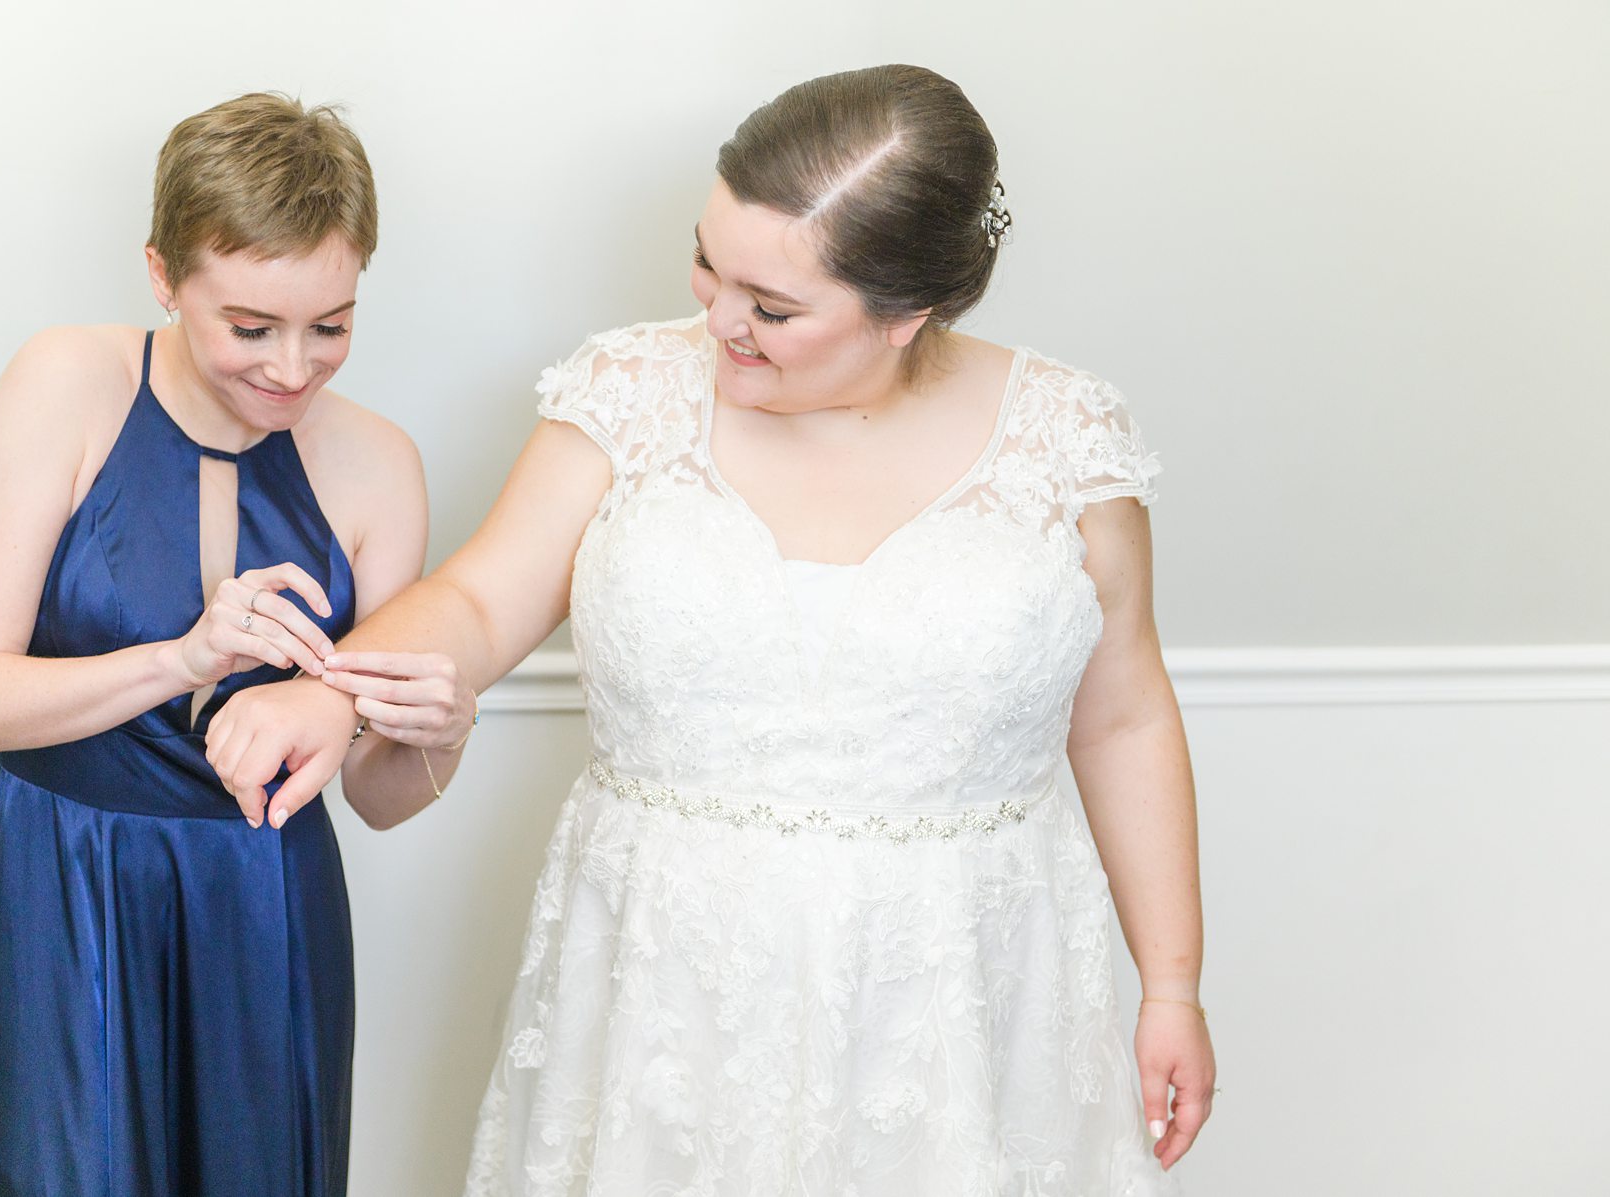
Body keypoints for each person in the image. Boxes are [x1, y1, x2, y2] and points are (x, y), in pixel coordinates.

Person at [210, 65, 1214, 1194]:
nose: (716, 319)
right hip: (667, 990)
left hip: (959, 1000)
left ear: (907, 316)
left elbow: (1123, 716)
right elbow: (484, 599)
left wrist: (1171, 982)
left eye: (772, 308)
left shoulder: (1069, 441)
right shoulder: (626, 392)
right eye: (709, 264)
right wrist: (333, 692)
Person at [0, 92, 473, 1196]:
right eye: (249, 327)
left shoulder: (379, 465)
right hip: (65, 885)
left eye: (332, 324)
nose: (292, 367)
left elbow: (375, 793)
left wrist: (440, 733)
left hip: (266, 908)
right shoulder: (66, 383)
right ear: (164, 277)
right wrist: (180, 660)